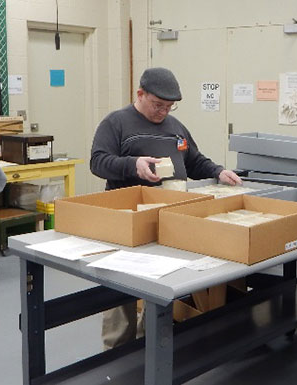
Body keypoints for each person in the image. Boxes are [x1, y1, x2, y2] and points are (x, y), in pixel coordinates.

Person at [90, 67, 242, 349]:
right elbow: (97, 161)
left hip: (171, 219)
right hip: (130, 220)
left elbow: (194, 161)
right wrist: (131, 164)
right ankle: (116, 354)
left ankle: (149, 345)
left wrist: (219, 171)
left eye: (169, 106)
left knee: (159, 285)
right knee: (121, 286)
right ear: (140, 94)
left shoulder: (176, 127)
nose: (163, 112)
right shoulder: (116, 123)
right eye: (158, 105)